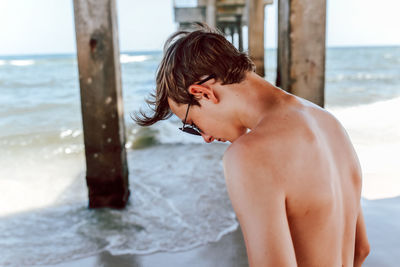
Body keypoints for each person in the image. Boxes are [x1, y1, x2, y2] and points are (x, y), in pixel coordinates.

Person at [133, 23, 370, 266]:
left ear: (203, 93)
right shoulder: (329, 123)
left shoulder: (249, 154)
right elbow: (360, 249)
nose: (206, 137)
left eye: (191, 123)